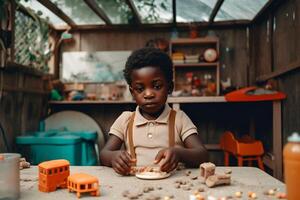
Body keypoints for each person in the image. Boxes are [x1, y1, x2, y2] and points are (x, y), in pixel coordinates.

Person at [100, 47, 208, 175]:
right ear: (132, 92)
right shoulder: (126, 119)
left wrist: (179, 153)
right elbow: (104, 154)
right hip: (134, 185)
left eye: (157, 86)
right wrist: (113, 158)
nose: (149, 94)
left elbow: (203, 155)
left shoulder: (179, 118)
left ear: (170, 87)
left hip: (173, 187)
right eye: (140, 89)